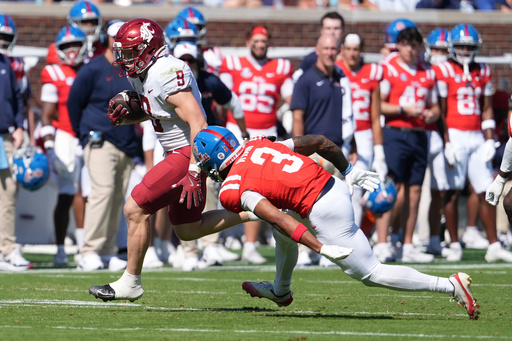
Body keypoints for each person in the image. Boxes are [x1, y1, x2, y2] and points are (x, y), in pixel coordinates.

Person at [87, 18, 287, 302]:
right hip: (177, 151)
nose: (126, 59)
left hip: (187, 151)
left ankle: (130, 282)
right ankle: (259, 208)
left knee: (135, 208)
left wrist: (194, 170)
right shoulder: (143, 73)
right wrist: (137, 111)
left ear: (149, 49)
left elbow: (198, 122)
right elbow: (163, 108)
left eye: (132, 52)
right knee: (188, 229)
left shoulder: (167, 71)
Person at [192, 126, 480, 321]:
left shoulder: (231, 189)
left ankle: (449, 285)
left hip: (325, 210)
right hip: (332, 185)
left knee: (372, 274)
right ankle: (281, 290)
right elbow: (318, 142)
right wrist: (349, 171)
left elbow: (277, 219)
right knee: (283, 229)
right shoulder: (258, 144)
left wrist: (320, 247)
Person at [434, 23, 512, 262]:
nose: (465, 51)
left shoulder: (483, 70)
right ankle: (454, 243)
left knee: (485, 190)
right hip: (455, 133)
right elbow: (442, 111)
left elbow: (487, 109)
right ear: (452, 47)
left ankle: (494, 244)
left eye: (469, 46)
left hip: (477, 135)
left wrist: (489, 140)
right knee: (452, 190)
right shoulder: (443, 70)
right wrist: (446, 142)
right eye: (461, 46)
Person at [219, 24, 293, 264]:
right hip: (236, 132)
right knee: (229, 188)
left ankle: (249, 244)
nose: (260, 44)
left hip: (267, 133)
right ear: (248, 41)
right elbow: (223, 99)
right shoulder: (233, 64)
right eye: (257, 40)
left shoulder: (280, 67)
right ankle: (220, 241)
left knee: (259, 189)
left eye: (264, 41)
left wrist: (289, 114)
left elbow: (291, 98)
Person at [68, 20, 138, 271]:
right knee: (103, 192)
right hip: (99, 140)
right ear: (106, 39)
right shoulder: (93, 68)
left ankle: (107, 250)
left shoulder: (130, 69)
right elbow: (74, 103)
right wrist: (83, 134)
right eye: (114, 36)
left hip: (126, 143)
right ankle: (89, 250)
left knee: (117, 197)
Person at [174, 41, 246, 270]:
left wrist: (243, 132)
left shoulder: (209, 80)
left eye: (190, 60)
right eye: (182, 60)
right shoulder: (167, 82)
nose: (186, 64)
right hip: (180, 145)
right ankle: (189, 252)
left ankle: (212, 245)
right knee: (182, 194)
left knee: (210, 194)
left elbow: (234, 103)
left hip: (210, 149)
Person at [376, 27, 440, 263]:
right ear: (399, 45)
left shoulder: (427, 71)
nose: (410, 49)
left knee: (415, 191)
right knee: (391, 188)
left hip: (419, 134)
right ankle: (382, 242)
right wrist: (403, 109)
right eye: (406, 44)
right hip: (395, 132)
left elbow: (435, 106)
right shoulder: (389, 66)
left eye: (414, 45)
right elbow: (379, 105)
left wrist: (432, 114)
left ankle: (408, 243)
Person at [291, 33, 354, 266]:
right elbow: (297, 116)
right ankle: (303, 250)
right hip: (314, 151)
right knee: (306, 204)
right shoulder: (305, 79)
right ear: (317, 49)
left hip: (336, 151)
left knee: (333, 205)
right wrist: (298, 150)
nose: (329, 52)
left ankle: (328, 250)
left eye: (333, 49)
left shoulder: (340, 77)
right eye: (325, 48)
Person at [40, 25, 88, 266]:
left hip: (89, 135)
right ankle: (61, 248)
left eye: (76, 44)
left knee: (90, 193)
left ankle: (85, 246)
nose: (72, 50)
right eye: (66, 46)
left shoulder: (91, 69)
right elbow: (47, 114)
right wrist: (48, 145)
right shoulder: (54, 73)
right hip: (66, 137)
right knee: (68, 193)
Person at [336, 33, 387, 228]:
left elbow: (376, 116)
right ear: (342, 51)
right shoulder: (336, 70)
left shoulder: (372, 72)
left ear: (361, 51)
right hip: (340, 134)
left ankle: (352, 236)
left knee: (356, 188)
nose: (352, 53)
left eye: (355, 49)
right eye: (348, 49)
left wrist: (379, 150)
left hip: (364, 135)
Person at [0, 14, 31, 271]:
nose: (2, 41)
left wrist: (19, 126)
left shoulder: (7, 64)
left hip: (4, 136)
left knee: (8, 191)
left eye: (5, 37)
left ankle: (7, 248)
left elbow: (17, 99)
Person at [422, 27, 453, 258]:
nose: (439, 54)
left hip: (436, 135)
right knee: (405, 188)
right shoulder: (420, 69)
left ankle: (434, 238)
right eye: (436, 49)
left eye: (444, 50)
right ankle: (396, 238)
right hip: (413, 133)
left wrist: (447, 140)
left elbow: (444, 112)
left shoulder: (452, 73)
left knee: (439, 189)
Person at [294, 11, 345, 80]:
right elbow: (297, 80)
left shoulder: (352, 57)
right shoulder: (311, 59)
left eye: (336, 28)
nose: (332, 32)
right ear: (322, 31)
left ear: (343, 30)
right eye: (328, 28)